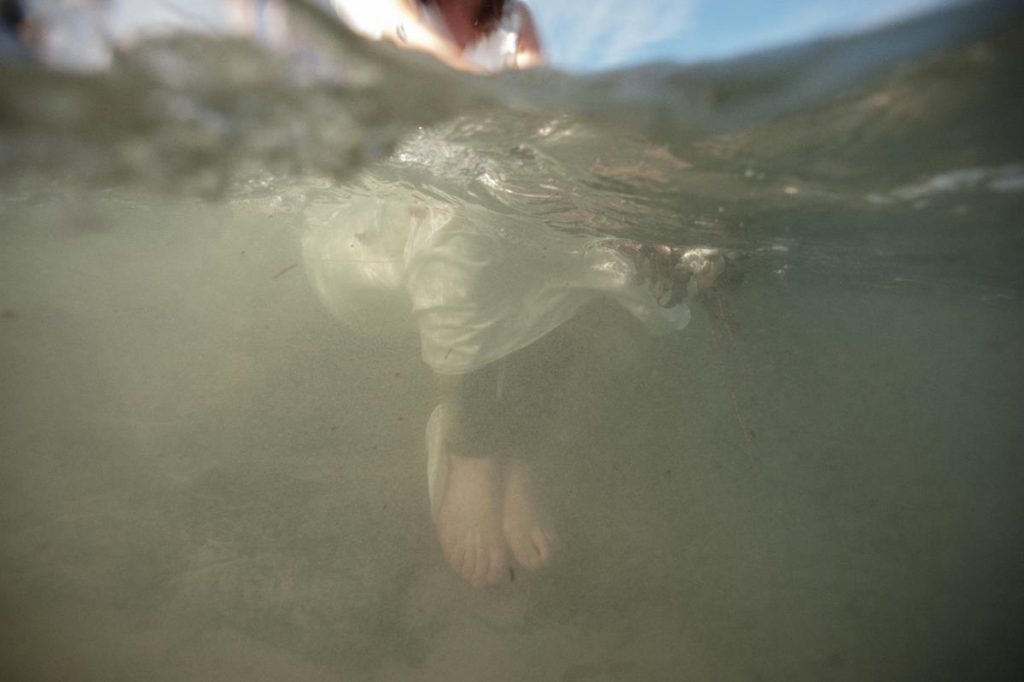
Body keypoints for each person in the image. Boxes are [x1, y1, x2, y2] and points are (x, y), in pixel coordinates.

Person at [304, 0, 725, 587]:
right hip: (378, 249)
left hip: (507, 199)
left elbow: (542, 99)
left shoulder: (516, 21)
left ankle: (516, 451)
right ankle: (471, 450)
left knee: (580, 260)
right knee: (480, 234)